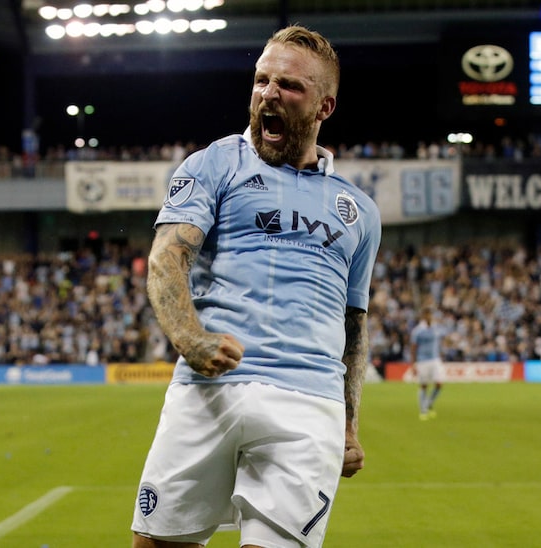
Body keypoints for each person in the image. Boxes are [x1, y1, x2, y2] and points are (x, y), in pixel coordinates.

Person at [131, 25, 382, 548]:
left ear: (324, 107)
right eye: (261, 80)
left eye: (289, 86)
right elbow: (167, 258)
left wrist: (351, 424)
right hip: (208, 391)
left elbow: (353, 322)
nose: (269, 93)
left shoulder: (359, 210)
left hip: (308, 403)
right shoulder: (214, 164)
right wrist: (190, 339)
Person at [409, 306, 447, 421]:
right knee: (424, 385)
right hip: (422, 360)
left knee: (439, 384)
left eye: (430, 314)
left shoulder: (436, 328)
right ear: (423, 316)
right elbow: (413, 348)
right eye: (426, 314)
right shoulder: (418, 331)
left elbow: (441, 340)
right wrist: (413, 364)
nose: (428, 316)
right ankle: (423, 410)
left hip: (435, 359)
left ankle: (429, 403)